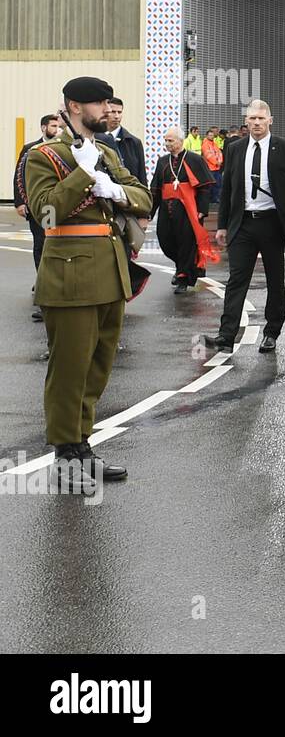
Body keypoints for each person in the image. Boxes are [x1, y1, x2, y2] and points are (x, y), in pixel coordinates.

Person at [21, 77, 151, 493]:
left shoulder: (107, 152)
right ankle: (65, 454)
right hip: (70, 275)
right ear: (75, 106)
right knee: (70, 369)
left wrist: (111, 186)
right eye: (99, 103)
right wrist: (83, 174)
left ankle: (83, 445)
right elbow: (45, 213)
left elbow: (143, 198)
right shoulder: (43, 156)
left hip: (110, 273)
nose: (107, 108)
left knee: (98, 365)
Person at [204, 99, 285, 354]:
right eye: (252, 118)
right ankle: (226, 336)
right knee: (237, 279)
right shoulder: (235, 148)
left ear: (270, 120)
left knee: (275, 279)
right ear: (246, 121)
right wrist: (223, 225)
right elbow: (227, 188)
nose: (257, 123)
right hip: (243, 224)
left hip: (272, 222)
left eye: (261, 118)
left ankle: (272, 332)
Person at [150, 127, 218, 293]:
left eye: (170, 140)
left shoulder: (195, 160)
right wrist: (149, 213)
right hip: (167, 208)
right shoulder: (162, 161)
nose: (167, 144)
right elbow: (156, 189)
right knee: (165, 240)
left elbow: (204, 188)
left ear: (180, 141)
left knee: (186, 243)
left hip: (188, 208)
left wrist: (202, 210)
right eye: (166, 140)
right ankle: (183, 266)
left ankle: (183, 277)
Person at [14, 114, 65, 321]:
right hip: (37, 206)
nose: (57, 128)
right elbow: (19, 174)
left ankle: (50, 286)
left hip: (52, 207)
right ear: (44, 127)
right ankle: (43, 281)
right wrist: (20, 202)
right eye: (53, 125)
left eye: (57, 125)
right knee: (40, 244)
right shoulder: (31, 149)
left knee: (52, 244)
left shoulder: (62, 148)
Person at [98, 97, 147, 183]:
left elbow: (141, 177)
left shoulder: (134, 143)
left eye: (119, 112)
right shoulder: (93, 139)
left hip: (128, 193)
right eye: (113, 112)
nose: (116, 116)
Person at [201, 127, 224, 206]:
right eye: (210, 135)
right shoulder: (205, 144)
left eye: (212, 135)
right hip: (210, 168)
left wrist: (220, 161)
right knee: (210, 185)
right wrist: (216, 162)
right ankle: (211, 199)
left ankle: (215, 198)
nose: (211, 136)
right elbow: (208, 155)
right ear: (206, 136)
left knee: (217, 184)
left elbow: (219, 153)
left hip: (217, 168)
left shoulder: (214, 144)